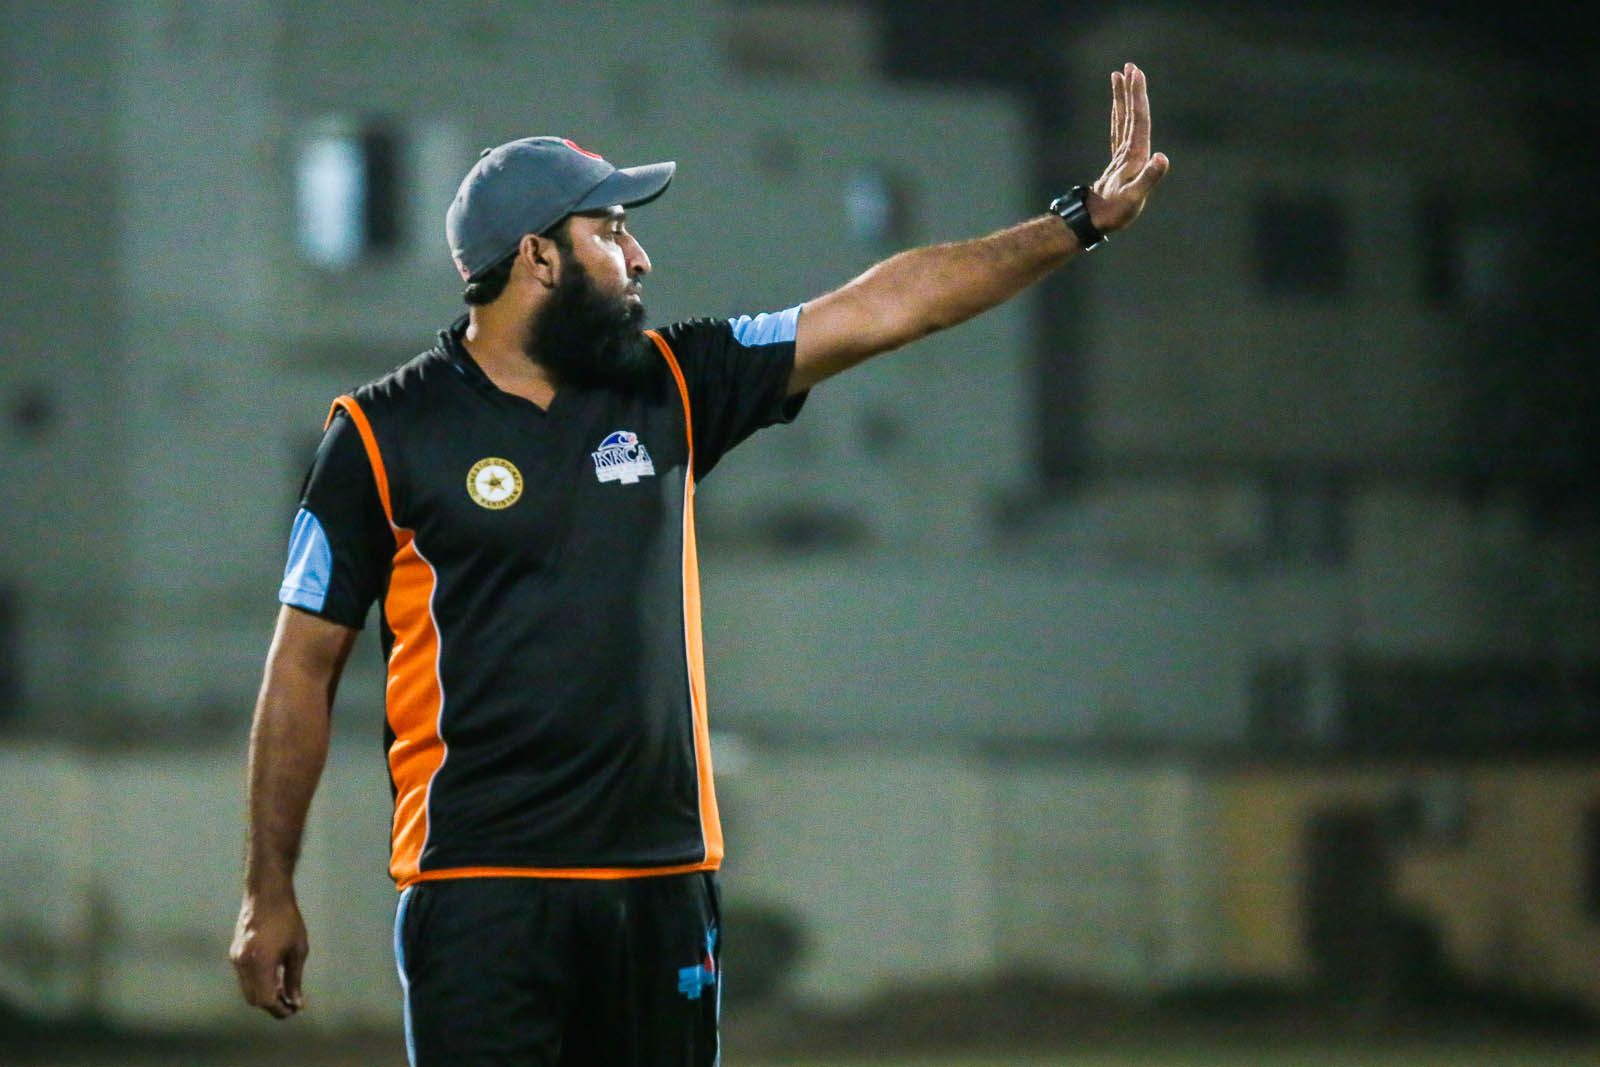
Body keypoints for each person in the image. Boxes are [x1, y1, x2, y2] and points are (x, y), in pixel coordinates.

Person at [230, 62, 1168, 1066]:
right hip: (480, 890)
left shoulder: (671, 383)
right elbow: (301, 668)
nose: (640, 255)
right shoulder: (380, 433)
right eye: (610, 231)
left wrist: (1077, 222)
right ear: (537, 256)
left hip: (661, 881)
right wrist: (267, 887)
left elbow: (890, 306)